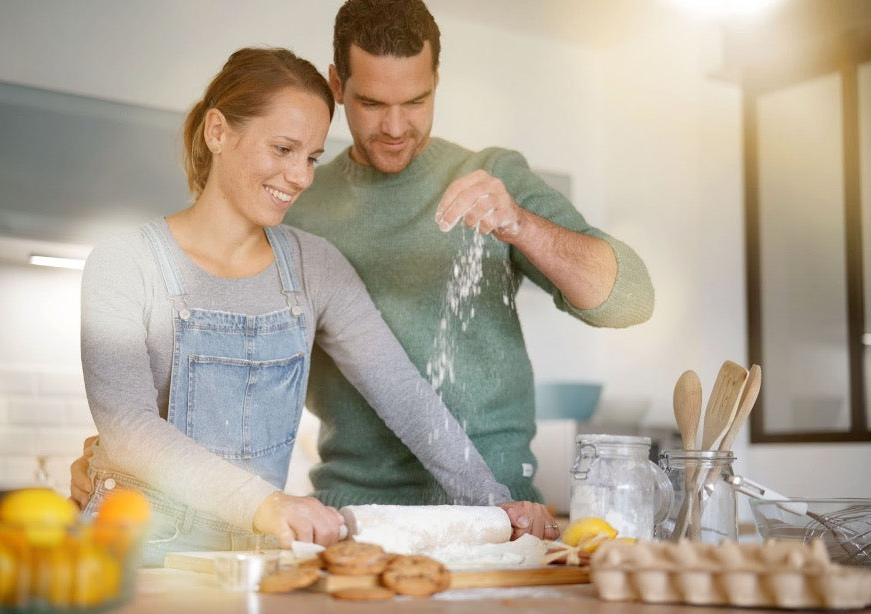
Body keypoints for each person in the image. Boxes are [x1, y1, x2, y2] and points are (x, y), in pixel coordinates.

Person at [79, 46, 545, 567]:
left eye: (312, 157)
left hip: (249, 560)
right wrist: (264, 504)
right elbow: (126, 428)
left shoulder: (314, 267)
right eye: (282, 149)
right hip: (129, 553)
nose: (300, 177)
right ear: (217, 132)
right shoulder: (125, 262)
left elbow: (404, 394)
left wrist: (495, 502)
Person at [279, 0, 654, 522]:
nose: (394, 126)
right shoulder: (298, 204)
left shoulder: (493, 178)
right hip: (353, 513)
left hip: (501, 512)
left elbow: (631, 301)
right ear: (337, 85)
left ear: (437, 79)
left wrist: (519, 223)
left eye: (416, 100)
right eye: (370, 102)